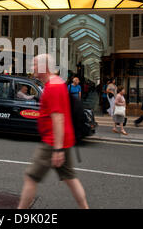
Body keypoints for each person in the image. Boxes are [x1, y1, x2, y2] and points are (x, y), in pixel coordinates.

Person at [18, 54, 89, 209]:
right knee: (71, 178)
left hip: (52, 142)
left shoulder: (53, 86)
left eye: (35, 64)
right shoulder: (58, 83)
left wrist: (57, 149)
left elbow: (58, 118)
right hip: (61, 140)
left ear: (45, 67)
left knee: (31, 177)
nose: (33, 68)